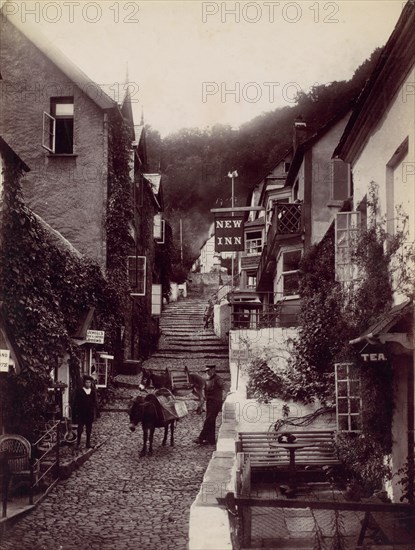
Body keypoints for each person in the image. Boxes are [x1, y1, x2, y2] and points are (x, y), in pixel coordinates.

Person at [194, 365, 225, 445]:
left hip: (216, 403)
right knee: (211, 421)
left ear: (213, 370)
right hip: (209, 403)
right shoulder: (208, 380)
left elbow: (225, 387)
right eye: (206, 371)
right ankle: (211, 440)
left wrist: (225, 398)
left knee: (209, 420)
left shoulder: (218, 379)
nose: (207, 372)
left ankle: (201, 438)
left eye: (208, 370)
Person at [72, 374, 100, 449]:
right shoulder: (79, 391)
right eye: (87, 382)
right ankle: (78, 443)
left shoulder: (93, 391)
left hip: (89, 413)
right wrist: (75, 413)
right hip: (81, 413)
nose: (88, 384)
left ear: (91, 383)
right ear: (84, 383)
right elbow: (75, 402)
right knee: (80, 429)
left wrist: (96, 412)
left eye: (89, 382)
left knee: (89, 429)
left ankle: (88, 443)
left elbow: (95, 402)